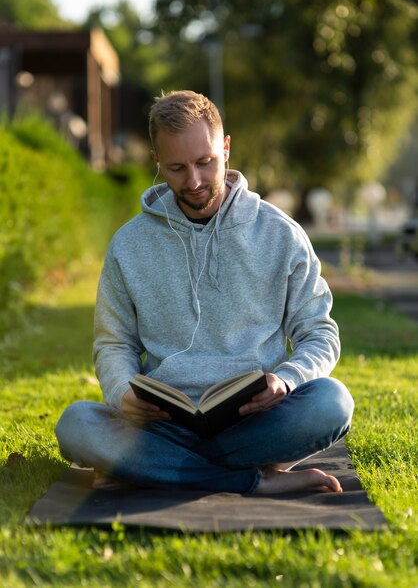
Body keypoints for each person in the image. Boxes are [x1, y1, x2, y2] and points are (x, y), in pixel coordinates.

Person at [56, 90, 354, 494]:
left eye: (205, 162)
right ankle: (252, 480)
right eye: (176, 167)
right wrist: (122, 391)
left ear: (226, 148)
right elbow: (113, 343)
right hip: (163, 427)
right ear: (155, 160)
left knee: (331, 403)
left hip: (258, 421)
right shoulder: (129, 245)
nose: (193, 182)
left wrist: (285, 380)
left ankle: (153, 469)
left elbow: (319, 333)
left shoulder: (280, 234)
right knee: (77, 425)